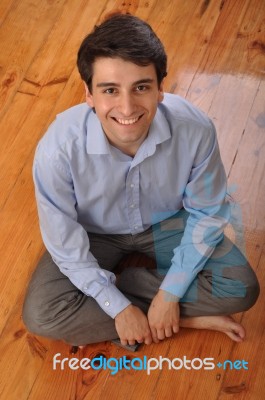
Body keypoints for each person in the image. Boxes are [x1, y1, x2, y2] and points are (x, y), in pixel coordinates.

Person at [22, 13, 259, 349]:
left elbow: (207, 214)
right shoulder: (57, 150)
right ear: (88, 93)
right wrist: (118, 308)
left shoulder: (195, 129)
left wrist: (170, 293)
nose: (127, 106)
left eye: (141, 87)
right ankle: (183, 318)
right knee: (40, 314)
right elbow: (65, 242)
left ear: (160, 88)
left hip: (167, 222)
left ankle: (134, 295)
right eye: (109, 90)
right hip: (94, 234)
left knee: (242, 286)